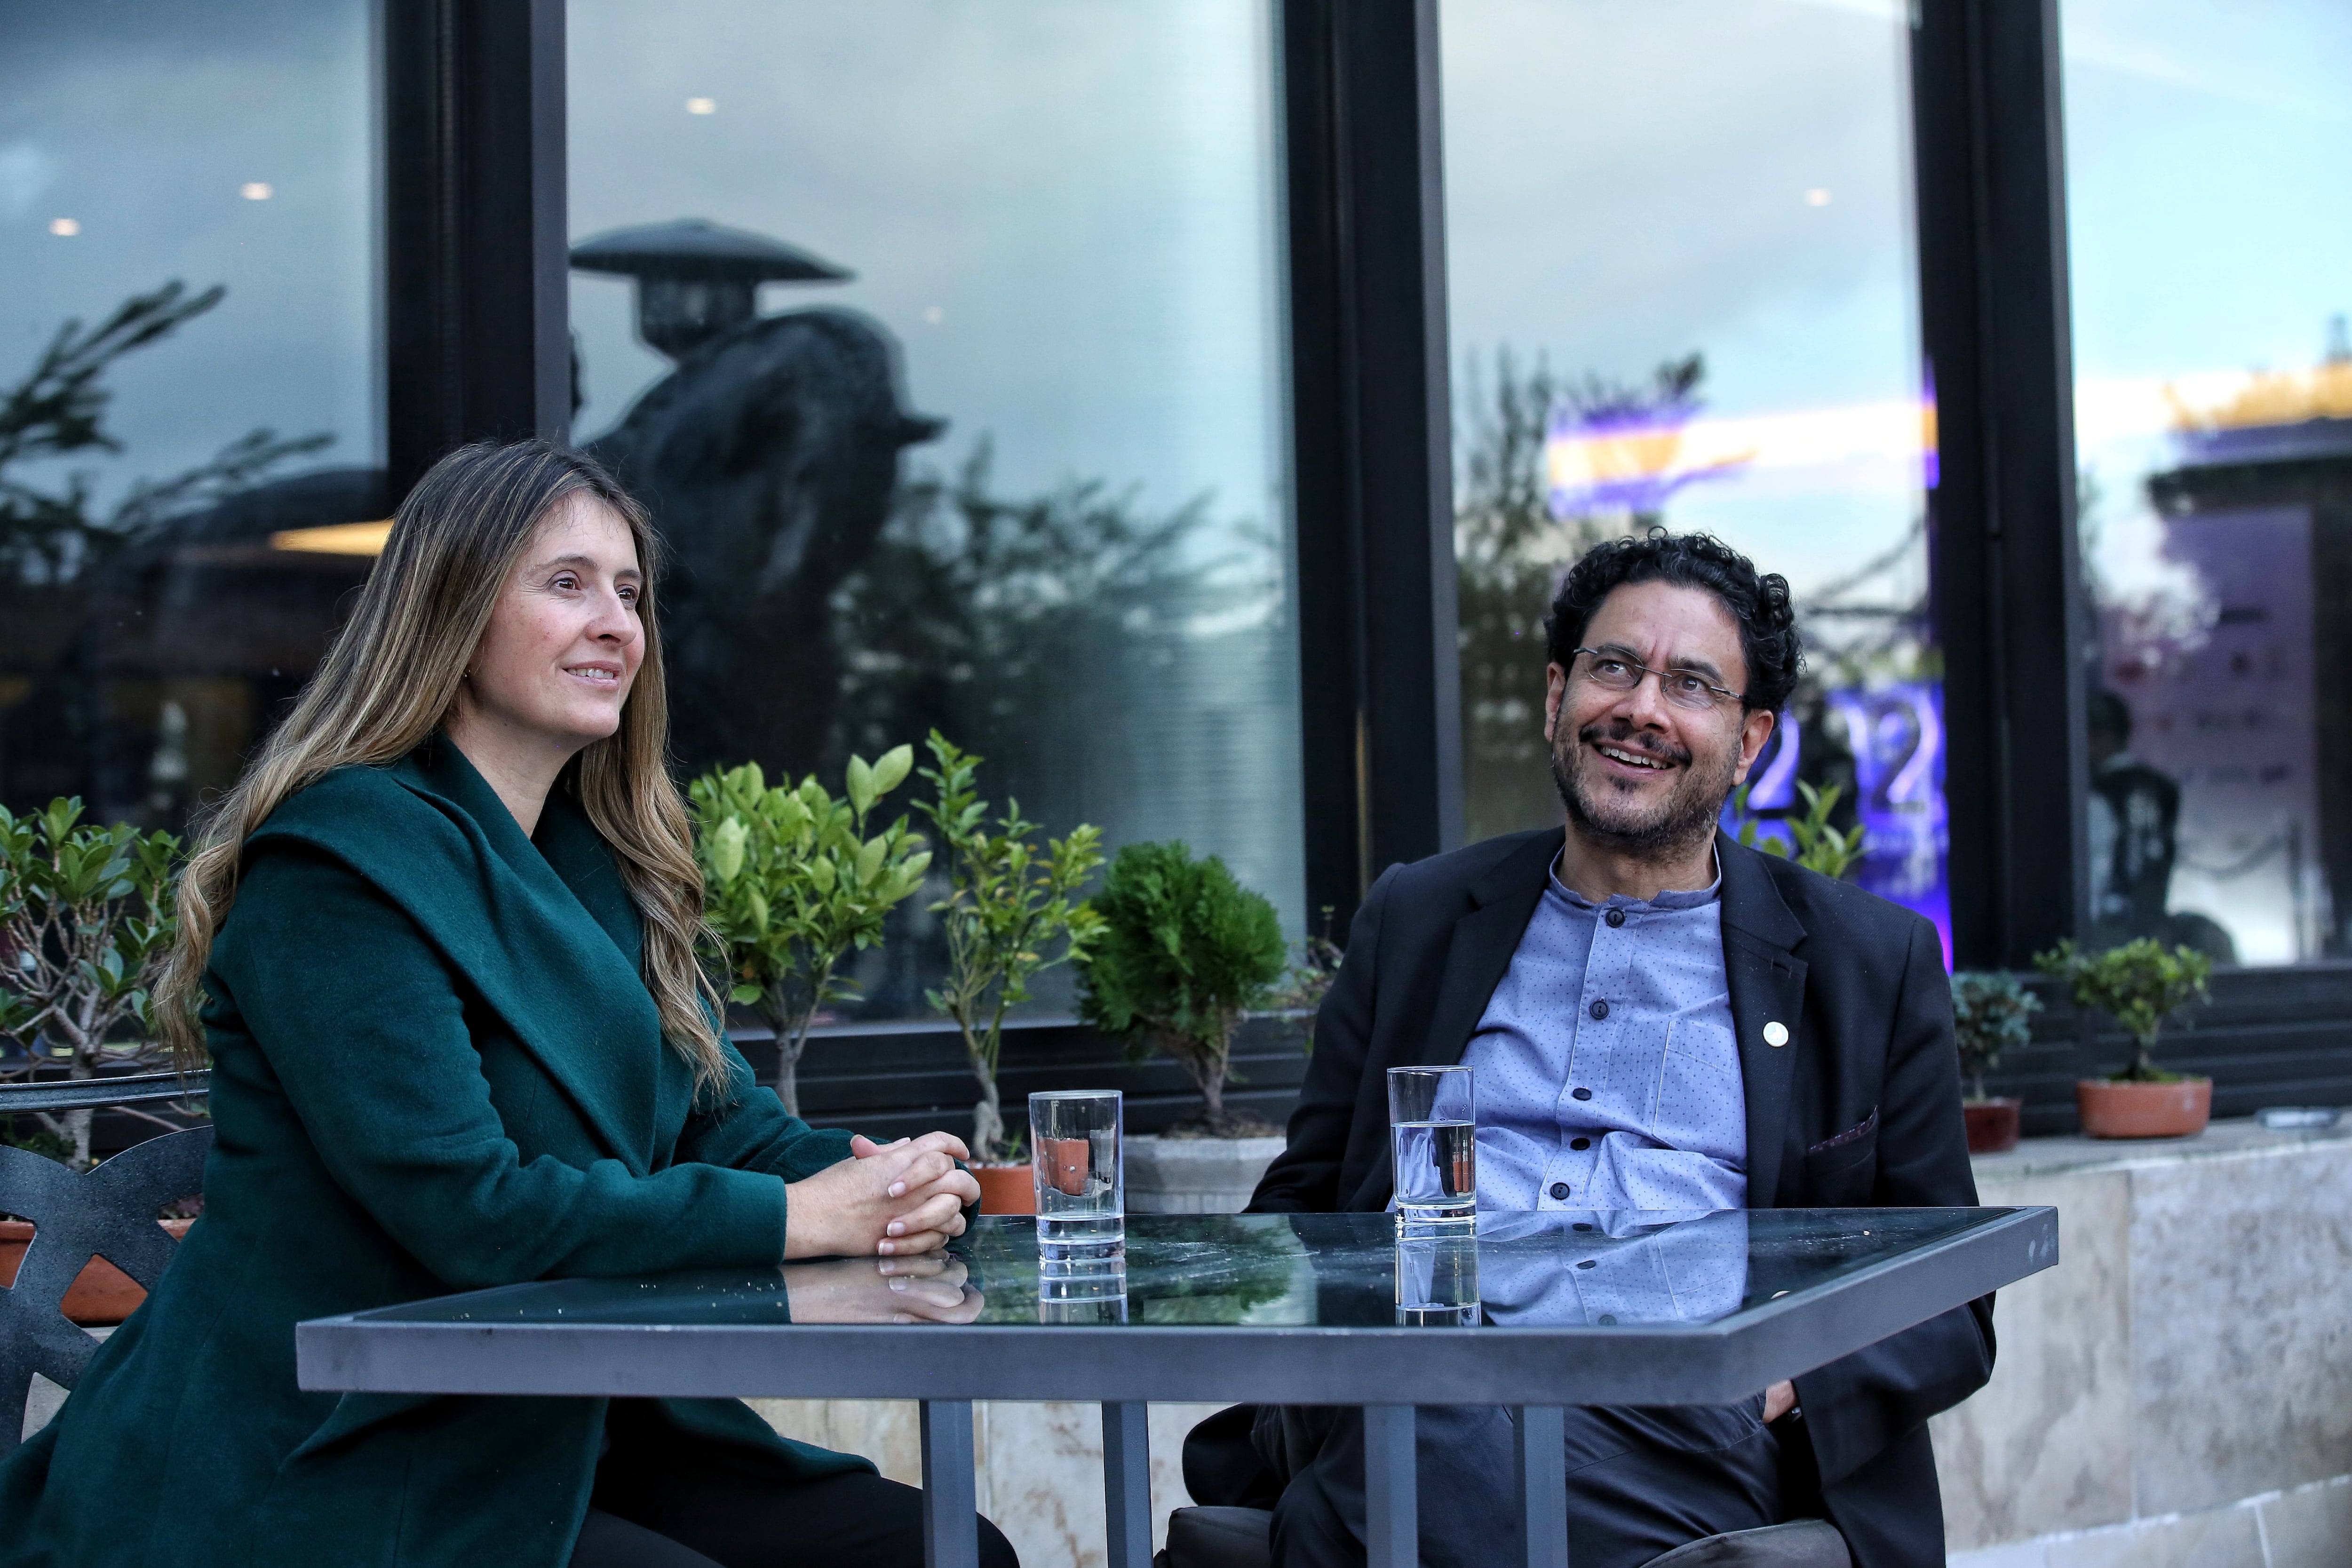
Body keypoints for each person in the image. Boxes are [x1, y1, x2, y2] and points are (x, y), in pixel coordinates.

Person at [0, 441, 1017, 1568]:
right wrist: (803, 1217)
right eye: (567, 582)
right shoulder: (337, 869)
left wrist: (890, 1181)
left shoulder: (593, 864)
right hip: (336, 1449)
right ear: (453, 612)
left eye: (629, 593)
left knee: (941, 1547)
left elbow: (719, 1122)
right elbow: (468, 1206)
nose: (617, 623)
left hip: (576, 1412)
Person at [1191, 531, 1989, 1568]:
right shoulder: (1422, 917)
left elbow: (1952, 1290)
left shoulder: (1863, 962)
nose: (1641, 708)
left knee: (1374, 1483)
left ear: (1749, 742)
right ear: (1557, 693)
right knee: (1423, 1417)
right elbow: (1302, 1206)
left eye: (1690, 683)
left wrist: (1777, 1380)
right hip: (1408, 1369)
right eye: (1614, 667)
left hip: (1679, 1420)